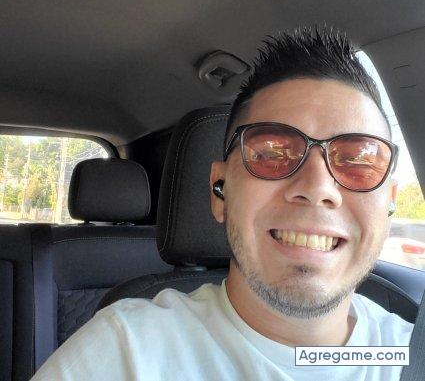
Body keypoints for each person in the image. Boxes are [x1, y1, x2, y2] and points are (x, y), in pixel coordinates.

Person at [31, 27, 412, 381]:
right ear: (220, 191)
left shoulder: (410, 351)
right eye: (271, 153)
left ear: (389, 202)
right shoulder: (126, 352)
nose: (317, 188)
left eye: (359, 160)